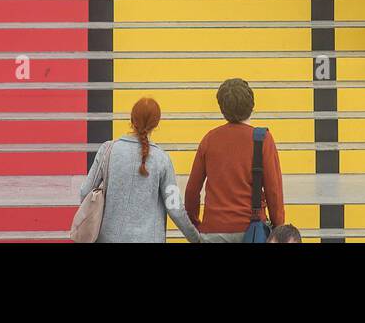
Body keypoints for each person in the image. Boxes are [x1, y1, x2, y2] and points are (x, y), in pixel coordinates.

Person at [80, 97, 201, 242]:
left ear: (131, 119)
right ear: (156, 124)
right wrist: (196, 238)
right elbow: (175, 208)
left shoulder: (108, 150)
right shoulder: (162, 159)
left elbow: (84, 191)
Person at [184, 79, 286, 242]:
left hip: (214, 230)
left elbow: (192, 191)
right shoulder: (262, 139)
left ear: (222, 109)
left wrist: (196, 224)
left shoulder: (209, 139)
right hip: (252, 231)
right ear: (251, 105)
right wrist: (278, 228)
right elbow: (274, 191)